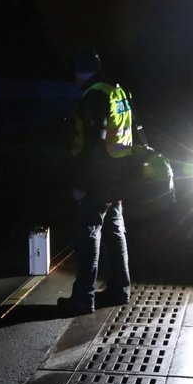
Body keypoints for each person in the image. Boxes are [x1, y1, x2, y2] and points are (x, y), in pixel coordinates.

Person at [57, 49, 134, 315]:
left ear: (80, 72)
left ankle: (83, 297)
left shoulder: (95, 95)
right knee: (115, 231)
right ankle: (119, 289)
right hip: (118, 173)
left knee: (89, 233)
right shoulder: (117, 90)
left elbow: (93, 142)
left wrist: (81, 182)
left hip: (99, 177)